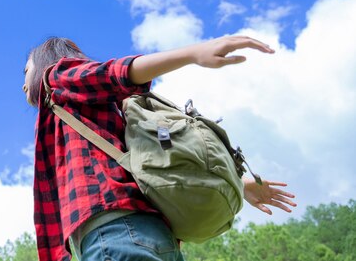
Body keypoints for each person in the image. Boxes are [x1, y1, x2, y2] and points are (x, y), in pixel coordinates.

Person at [23, 35, 297, 261]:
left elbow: (115, 73)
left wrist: (193, 53)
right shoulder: (99, 111)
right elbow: (151, 157)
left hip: (116, 235)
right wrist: (240, 183)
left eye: (26, 70)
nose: (24, 83)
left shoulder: (56, 77)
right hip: (153, 237)